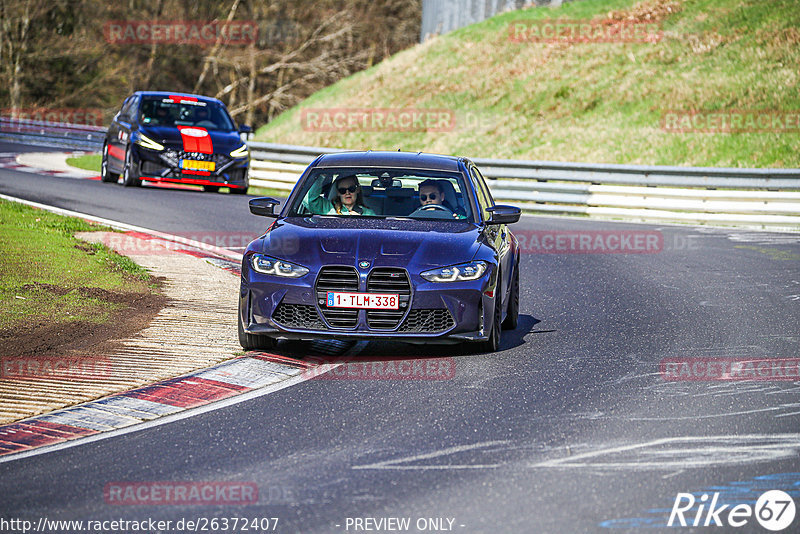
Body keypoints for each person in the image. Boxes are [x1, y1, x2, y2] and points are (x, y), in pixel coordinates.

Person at [303, 174, 376, 215]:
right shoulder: (327, 207)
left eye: (351, 189)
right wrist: (322, 175)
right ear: (338, 192)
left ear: (357, 190)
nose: (347, 193)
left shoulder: (368, 213)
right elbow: (309, 200)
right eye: (342, 190)